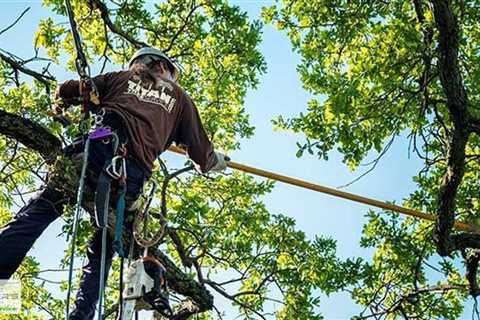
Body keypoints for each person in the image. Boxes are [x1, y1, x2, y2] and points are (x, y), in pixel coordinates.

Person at [0, 47, 227, 319]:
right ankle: (81, 315)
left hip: (94, 153)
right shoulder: (180, 100)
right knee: (103, 248)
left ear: (140, 65)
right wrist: (216, 161)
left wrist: (63, 101)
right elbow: (202, 153)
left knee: (38, 212)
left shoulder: (120, 78)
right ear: (164, 68)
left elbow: (70, 89)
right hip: (129, 177)